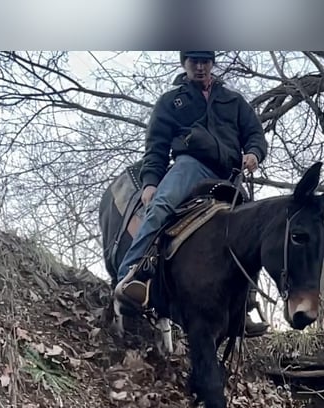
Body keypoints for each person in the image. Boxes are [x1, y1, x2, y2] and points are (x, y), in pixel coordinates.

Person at [114, 50, 270, 337]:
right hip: (190, 165)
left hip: (229, 175)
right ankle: (131, 274)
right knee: (161, 205)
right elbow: (157, 146)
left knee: (254, 229)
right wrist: (151, 182)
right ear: (184, 64)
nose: (200, 67)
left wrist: (254, 153)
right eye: (193, 62)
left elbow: (255, 135)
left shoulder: (233, 101)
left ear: (212, 63)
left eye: (205, 61)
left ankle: (241, 308)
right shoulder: (172, 102)